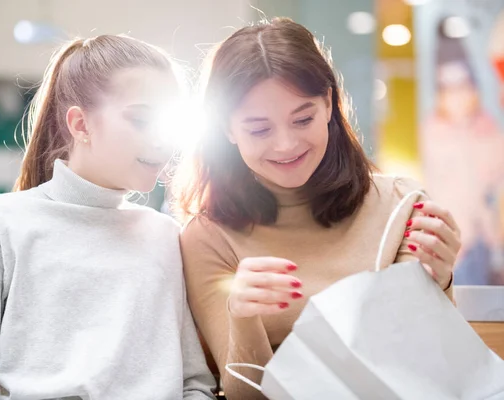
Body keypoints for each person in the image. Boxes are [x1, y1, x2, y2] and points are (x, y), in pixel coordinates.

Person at [174, 18, 462, 399]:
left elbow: (418, 363)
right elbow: (247, 395)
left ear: (329, 103)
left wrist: (438, 284)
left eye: (303, 118)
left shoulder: (401, 206)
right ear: (227, 129)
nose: (286, 145)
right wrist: (243, 318)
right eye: (259, 130)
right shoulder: (209, 236)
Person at [0, 35, 215, 400]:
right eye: (142, 120)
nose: (162, 141)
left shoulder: (167, 236)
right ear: (81, 125)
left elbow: (195, 385)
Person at [420, 23, 504, 285]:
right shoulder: (434, 131)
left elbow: (495, 182)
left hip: (488, 240)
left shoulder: (487, 128)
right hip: (455, 242)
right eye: (448, 86)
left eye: (463, 84)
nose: (457, 94)